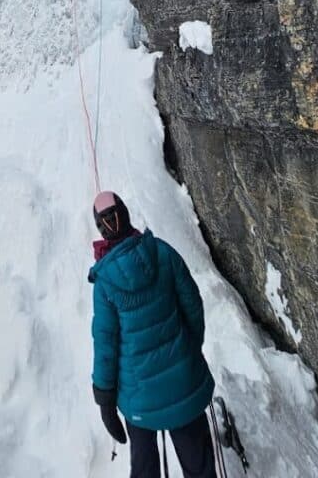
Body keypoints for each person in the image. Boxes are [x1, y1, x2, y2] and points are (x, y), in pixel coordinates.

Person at [89, 191, 217, 478]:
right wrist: (187, 352)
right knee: (200, 468)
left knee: (145, 469)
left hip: (138, 399)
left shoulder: (105, 282)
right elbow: (193, 306)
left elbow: (105, 347)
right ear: (126, 214)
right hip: (184, 383)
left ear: (101, 229)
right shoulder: (162, 252)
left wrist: (105, 399)